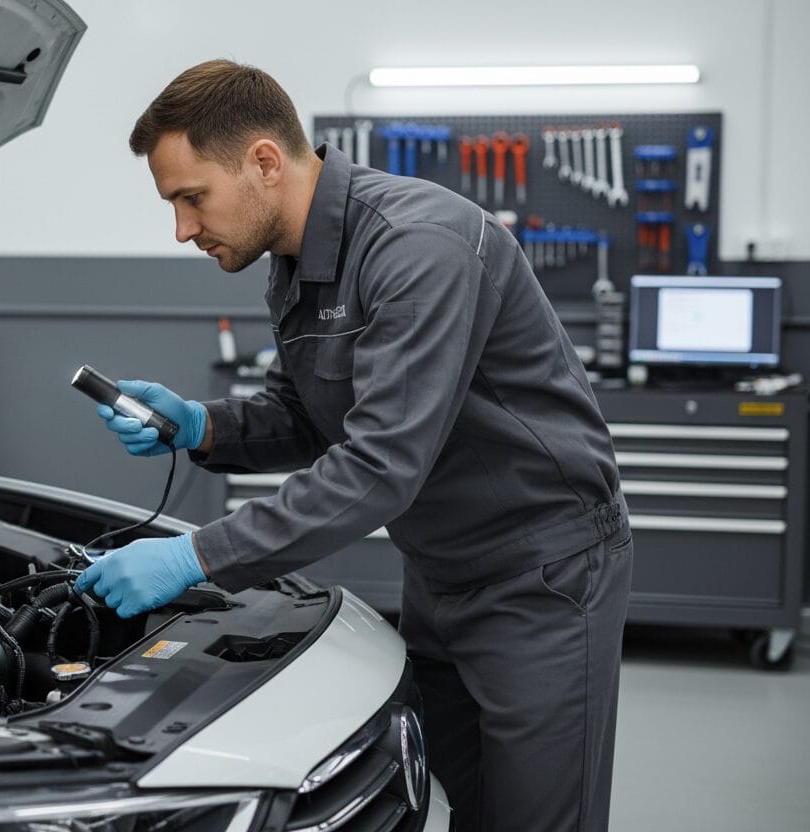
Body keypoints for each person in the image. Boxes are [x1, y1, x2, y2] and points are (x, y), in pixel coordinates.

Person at [75, 59, 632, 832]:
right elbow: (308, 413)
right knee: (467, 803)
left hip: (540, 572)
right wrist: (200, 424)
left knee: (538, 820)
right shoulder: (297, 263)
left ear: (265, 161)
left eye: (191, 198)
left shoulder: (419, 246)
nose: (184, 229)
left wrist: (192, 557)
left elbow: (379, 466)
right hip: (440, 568)